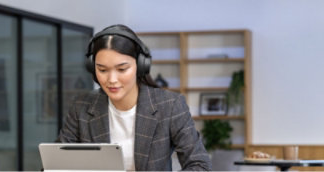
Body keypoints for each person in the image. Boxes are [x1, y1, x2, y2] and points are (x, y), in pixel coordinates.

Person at [57, 24, 212, 171]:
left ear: (140, 65)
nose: (111, 79)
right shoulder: (81, 107)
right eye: (102, 70)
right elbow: (57, 163)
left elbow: (199, 165)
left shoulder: (170, 105)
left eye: (122, 69)